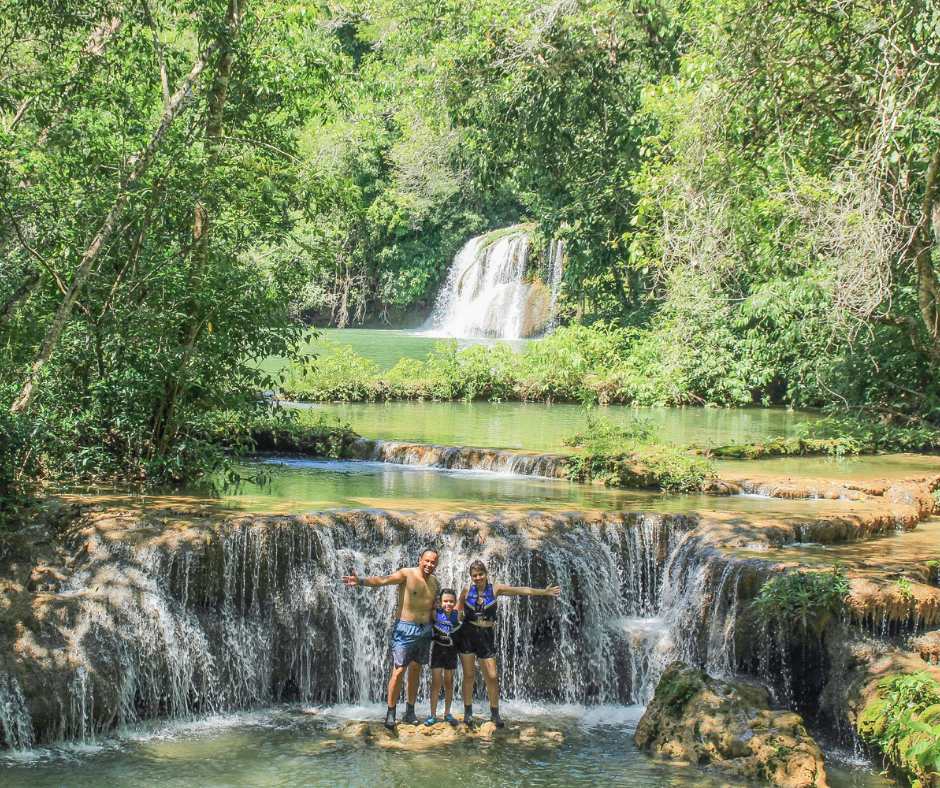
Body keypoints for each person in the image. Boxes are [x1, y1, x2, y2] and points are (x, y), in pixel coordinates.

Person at [341, 548, 440, 729]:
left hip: (424, 630)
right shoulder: (406, 574)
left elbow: (432, 605)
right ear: (420, 560)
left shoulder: (434, 582)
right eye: (427, 561)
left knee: (416, 670)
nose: (429, 565)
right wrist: (361, 581)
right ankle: (391, 712)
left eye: (433, 562)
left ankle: (410, 712)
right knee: (399, 670)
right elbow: (383, 580)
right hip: (405, 628)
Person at [455, 559, 561, 728]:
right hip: (467, 634)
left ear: (486, 574)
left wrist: (544, 592)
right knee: (468, 675)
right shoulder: (466, 590)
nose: (478, 578)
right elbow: (457, 611)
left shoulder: (495, 589)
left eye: (480, 574)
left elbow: (520, 590)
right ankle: (468, 713)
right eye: (474, 576)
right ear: (471, 577)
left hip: (486, 635)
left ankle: (495, 713)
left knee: (492, 676)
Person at [424, 588, 462, 726]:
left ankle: (447, 713)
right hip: (438, 651)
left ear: (455, 602)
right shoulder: (434, 614)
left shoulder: (458, 615)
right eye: (445, 601)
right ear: (439, 602)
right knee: (436, 682)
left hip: (452, 652)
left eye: (451, 601)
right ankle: (432, 715)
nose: (448, 604)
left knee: (449, 682)